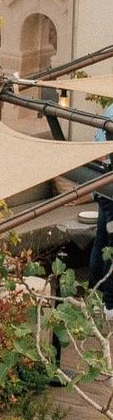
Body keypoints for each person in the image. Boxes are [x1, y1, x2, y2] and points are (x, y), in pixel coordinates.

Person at [88, 102, 113, 315]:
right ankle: (109, 304)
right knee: (110, 246)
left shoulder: (111, 109)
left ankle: (95, 296)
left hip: (101, 185)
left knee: (102, 242)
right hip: (109, 189)